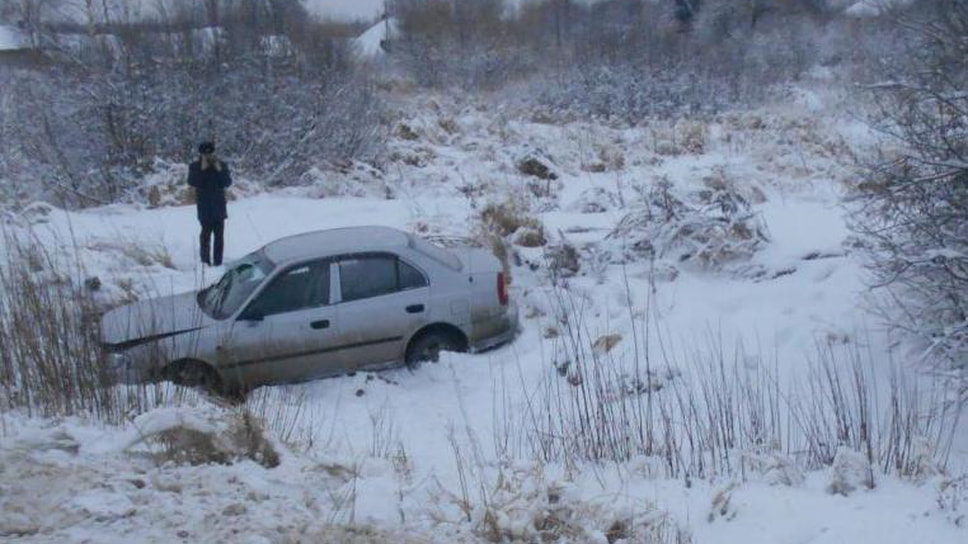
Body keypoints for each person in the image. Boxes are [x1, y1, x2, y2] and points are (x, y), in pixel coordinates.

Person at [188, 141, 232, 266]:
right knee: (205, 235)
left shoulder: (221, 165)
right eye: (205, 154)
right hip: (204, 207)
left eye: (210, 153)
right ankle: (205, 261)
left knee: (219, 236)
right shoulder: (195, 166)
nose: (208, 156)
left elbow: (227, 182)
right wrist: (202, 169)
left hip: (219, 205)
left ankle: (218, 261)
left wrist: (219, 169)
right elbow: (193, 182)